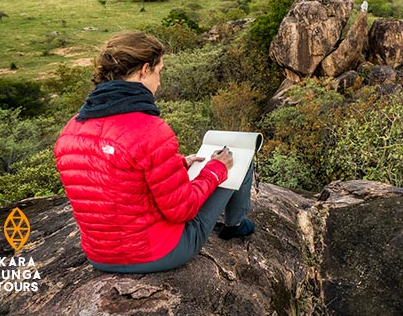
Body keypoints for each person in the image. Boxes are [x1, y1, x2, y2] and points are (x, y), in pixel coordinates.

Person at [55, 30, 255, 273]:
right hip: (157, 253)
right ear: (144, 70)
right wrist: (216, 170)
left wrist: (178, 164)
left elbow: (119, 175)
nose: (159, 82)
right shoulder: (149, 129)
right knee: (238, 158)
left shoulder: (71, 129)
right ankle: (234, 225)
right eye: (159, 72)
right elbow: (184, 210)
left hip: (99, 256)